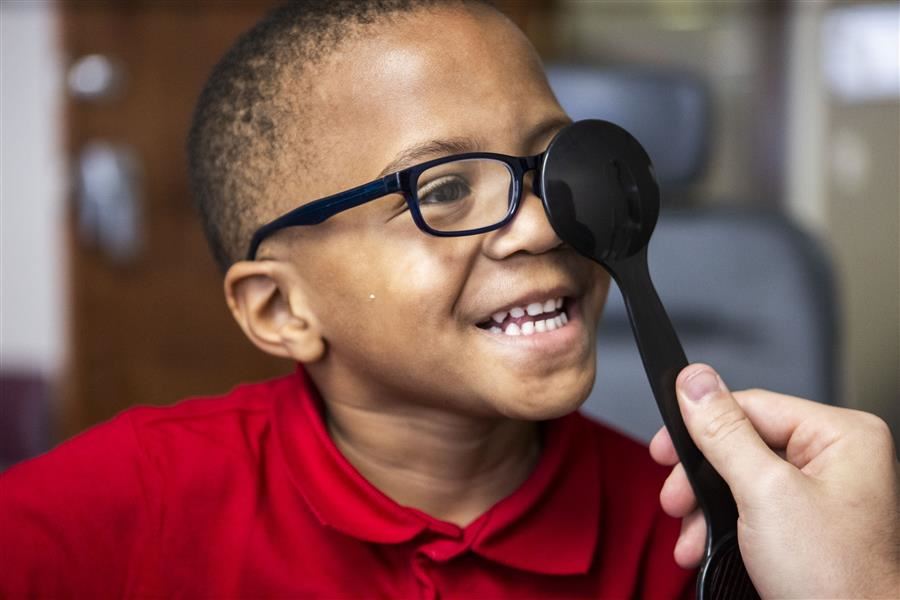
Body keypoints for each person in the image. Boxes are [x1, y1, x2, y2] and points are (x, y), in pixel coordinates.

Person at [1, 1, 897, 598]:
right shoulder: (130, 507)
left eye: (554, 166)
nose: (543, 227)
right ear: (281, 310)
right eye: (440, 192)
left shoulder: (693, 541)